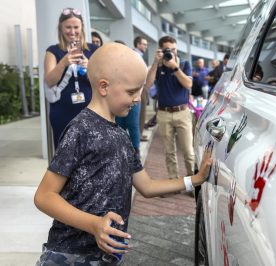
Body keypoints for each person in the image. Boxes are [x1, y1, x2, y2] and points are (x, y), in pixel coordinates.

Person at [34, 42, 213, 265]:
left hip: (107, 254)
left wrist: (193, 180)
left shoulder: (122, 136)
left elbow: (146, 186)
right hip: (69, 255)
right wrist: (94, 224)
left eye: (140, 90)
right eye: (131, 91)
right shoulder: (80, 130)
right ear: (103, 87)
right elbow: (44, 196)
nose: (138, 98)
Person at [44, 8, 98, 149]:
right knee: (64, 159)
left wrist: (89, 68)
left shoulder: (93, 50)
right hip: (62, 113)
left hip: (91, 112)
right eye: (68, 27)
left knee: (91, 157)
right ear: (61, 28)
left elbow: (103, 81)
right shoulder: (53, 51)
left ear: (82, 28)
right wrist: (63, 62)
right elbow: (49, 81)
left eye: (76, 27)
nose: (72, 32)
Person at [145, 35, 195, 181]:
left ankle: (192, 183)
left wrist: (175, 67)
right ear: (160, 50)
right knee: (169, 152)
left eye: (174, 49)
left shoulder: (184, 64)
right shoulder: (158, 65)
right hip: (164, 113)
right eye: (168, 50)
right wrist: (155, 62)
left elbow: (188, 84)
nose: (171, 53)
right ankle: (173, 182)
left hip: (182, 112)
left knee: (188, 151)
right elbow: (147, 85)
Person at [133, 36, 149, 142]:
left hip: (140, 87)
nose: (146, 46)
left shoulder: (138, 55)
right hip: (139, 87)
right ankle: (138, 135)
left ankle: (139, 133)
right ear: (138, 44)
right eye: (144, 44)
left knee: (141, 112)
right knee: (141, 112)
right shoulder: (136, 55)